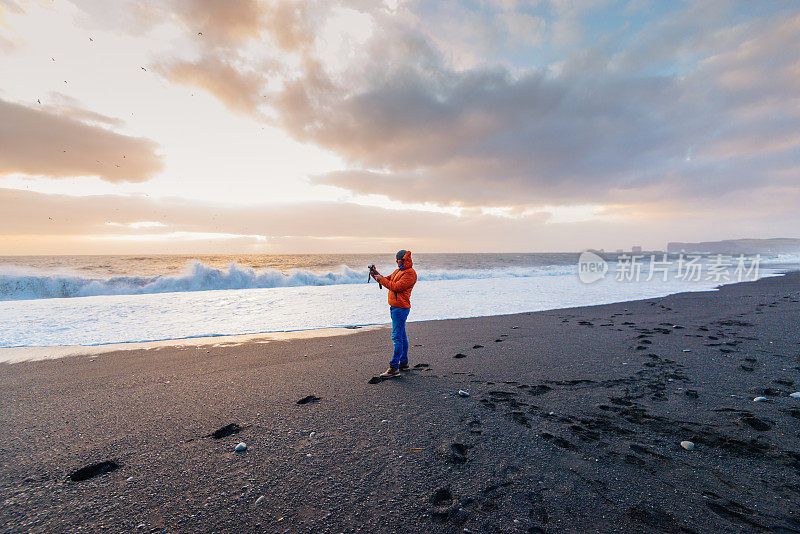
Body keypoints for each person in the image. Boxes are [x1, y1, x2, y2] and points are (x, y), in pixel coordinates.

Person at [370, 250, 417, 378]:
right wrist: (376, 274)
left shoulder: (410, 273)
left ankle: (394, 367)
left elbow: (396, 287)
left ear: (404, 259)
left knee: (397, 337)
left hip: (400, 308)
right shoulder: (398, 271)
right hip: (396, 308)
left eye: (398, 259)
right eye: (396, 259)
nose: (396, 261)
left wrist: (381, 280)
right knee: (401, 336)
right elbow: (386, 280)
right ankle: (404, 363)